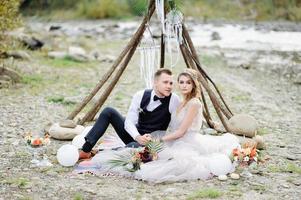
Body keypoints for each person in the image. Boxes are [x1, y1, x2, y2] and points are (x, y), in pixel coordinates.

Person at [92, 68, 240, 183]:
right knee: (110, 113)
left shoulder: (190, 102)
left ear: (194, 84)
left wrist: (160, 140)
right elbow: (130, 120)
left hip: (185, 140)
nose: (183, 85)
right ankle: (87, 148)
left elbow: (181, 131)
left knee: (143, 154)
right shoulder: (180, 102)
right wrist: (140, 136)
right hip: (157, 136)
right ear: (155, 83)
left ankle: (121, 149)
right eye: (181, 82)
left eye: (188, 82)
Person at [79, 68, 180, 159]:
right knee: (108, 111)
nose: (169, 86)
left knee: (132, 147)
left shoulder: (174, 100)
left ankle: (102, 152)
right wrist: (137, 137)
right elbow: (129, 122)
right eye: (165, 82)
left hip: (152, 143)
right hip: (135, 135)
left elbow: (175, 128)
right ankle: (86, 150)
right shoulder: (140, 95)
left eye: (171, 83)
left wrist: (157, 142)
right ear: (155, 82)